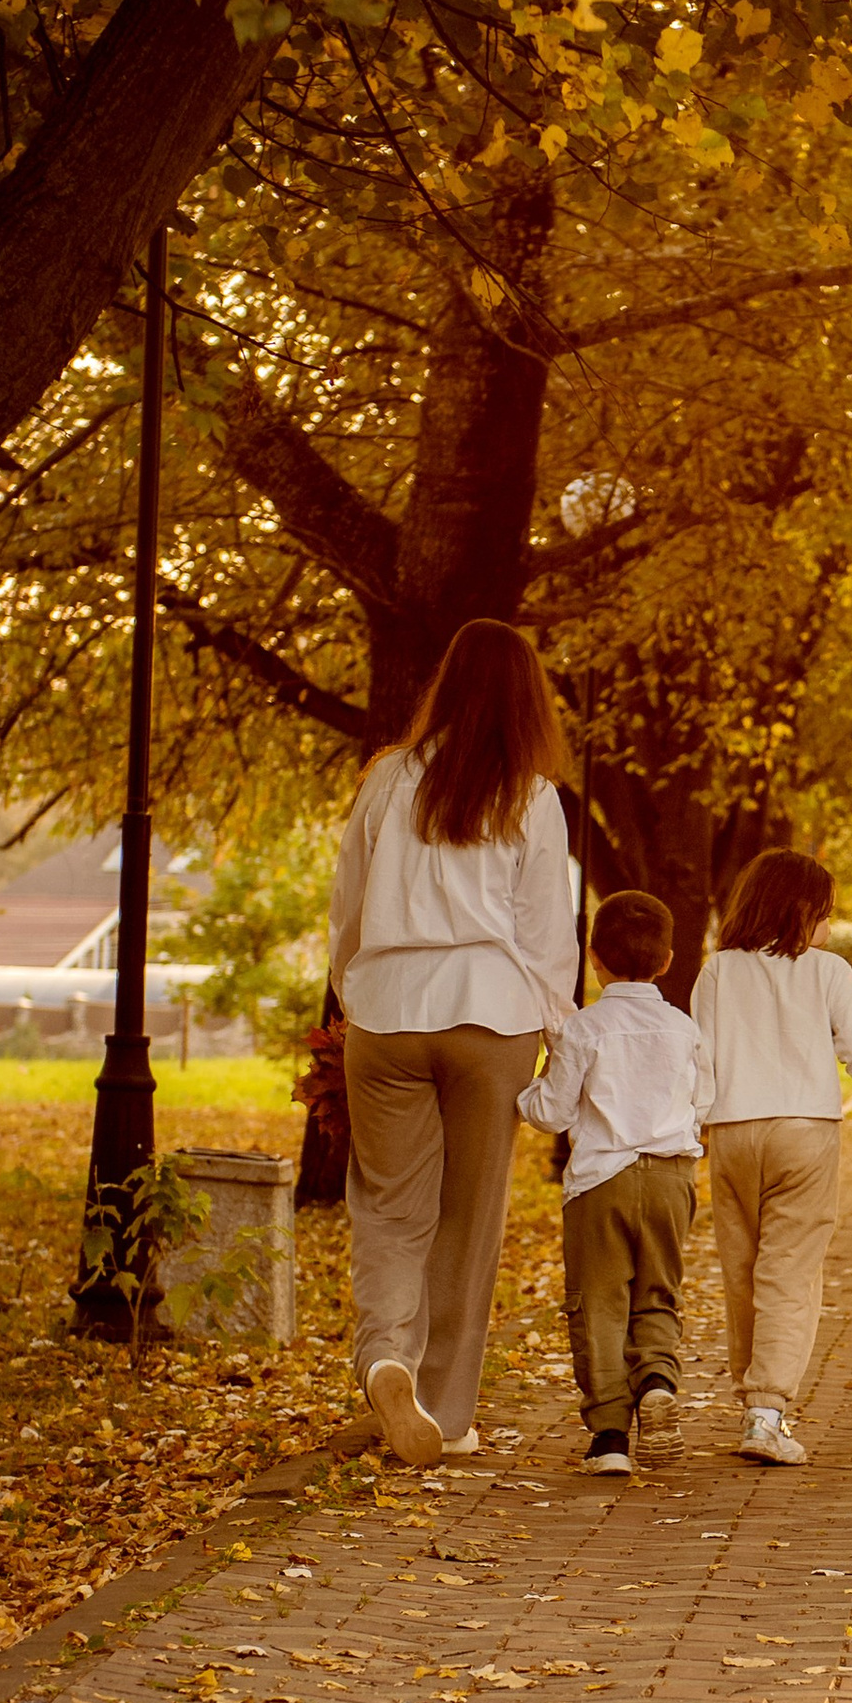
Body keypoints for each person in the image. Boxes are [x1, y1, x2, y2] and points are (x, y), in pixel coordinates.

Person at [327, 619, 578, 1470]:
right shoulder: (532, 796)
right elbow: (548, 934)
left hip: (389, 1011)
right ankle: (449, 1411)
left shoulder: (387, 779)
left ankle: (385, 1361)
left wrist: (351, 994)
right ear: (526, 699)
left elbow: (348, 907)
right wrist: (559, 1034)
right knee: (469, 1223)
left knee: (390, 1212)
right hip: (492, 1017)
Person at [692, 850, 852, 1468]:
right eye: (825, 914)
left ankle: (751, 1397)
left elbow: (698, 1056)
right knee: (790, 1274)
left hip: (732, 1129)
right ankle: (766, 1409)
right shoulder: (827, 971)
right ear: (803, 912)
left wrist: (692, 1125)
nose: (828, 928)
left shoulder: (718, 971)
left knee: (742, 1269)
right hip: (804, 1130)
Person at [521, 889, 705, 1476]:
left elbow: (551, 1111)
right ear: (669, 960)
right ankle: (656, 1378)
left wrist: (519, 1095)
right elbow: (708, 1099)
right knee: (658, 1291)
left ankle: (608, 1437)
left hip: (601, 1183)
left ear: (593, 958)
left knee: (596, 1303)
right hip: (672, 1177)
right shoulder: (684, 1029)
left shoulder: (584, 1029)